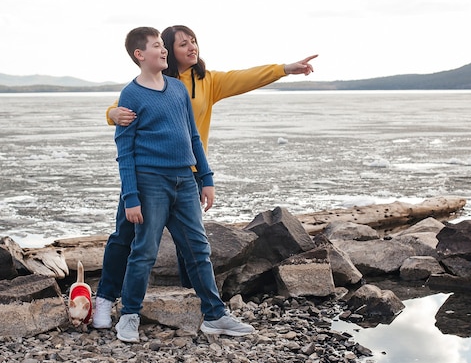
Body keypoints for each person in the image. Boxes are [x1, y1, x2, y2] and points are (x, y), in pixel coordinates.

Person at [93, 25, 316, 329]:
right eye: (182, 44)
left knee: (194, 246)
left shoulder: (206, 82)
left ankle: (203, 307)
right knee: (126, 239)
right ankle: (106, 300)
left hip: (189, 172)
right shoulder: (152, 81)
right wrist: (111, 113)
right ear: (166, 50)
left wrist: (285, 69)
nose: (191, 47)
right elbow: (125, 115)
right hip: (149, 176)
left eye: (193, 42)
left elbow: (245, 78)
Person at [110, 26, 254, 342]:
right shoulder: (131, 95)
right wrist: (131, 197)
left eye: (164, 46)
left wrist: (206, 178)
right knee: (144, 250)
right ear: (139, 55)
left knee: (198, 249)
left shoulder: (177, 89)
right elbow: (125, 150)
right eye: (157, 46)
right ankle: (129, 317)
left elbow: (192, 138)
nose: (163, 51)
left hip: (185, 182)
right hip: (151, 183)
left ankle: (215, 316)